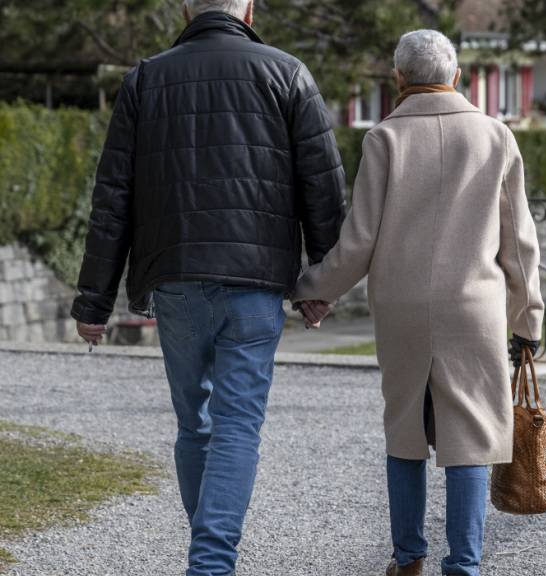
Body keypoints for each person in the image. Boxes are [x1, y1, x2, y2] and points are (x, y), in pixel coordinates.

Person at [70, 1, 346, 574]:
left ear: (187, 9)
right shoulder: (287, 72)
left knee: (194, 421)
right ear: (247, 8)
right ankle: (211, 561)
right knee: (238, 425)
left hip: (175, 278)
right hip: (255, 281)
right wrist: (321, 282)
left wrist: (94, 300)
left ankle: (209, 556)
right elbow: (322, 187)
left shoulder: (145, 78)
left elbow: (112, 199)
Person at [293, 29, 544, 576]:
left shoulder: (383, 139)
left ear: (399, 79)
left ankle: (408, 558)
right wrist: (529, 318)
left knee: (405, 430)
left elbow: (358, 240)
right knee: (472, 434)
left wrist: (314, 290)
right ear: (456, 76)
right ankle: (465, 565)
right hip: (473, 307)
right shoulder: (495, 136)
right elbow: (520, 244)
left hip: (402, 307)